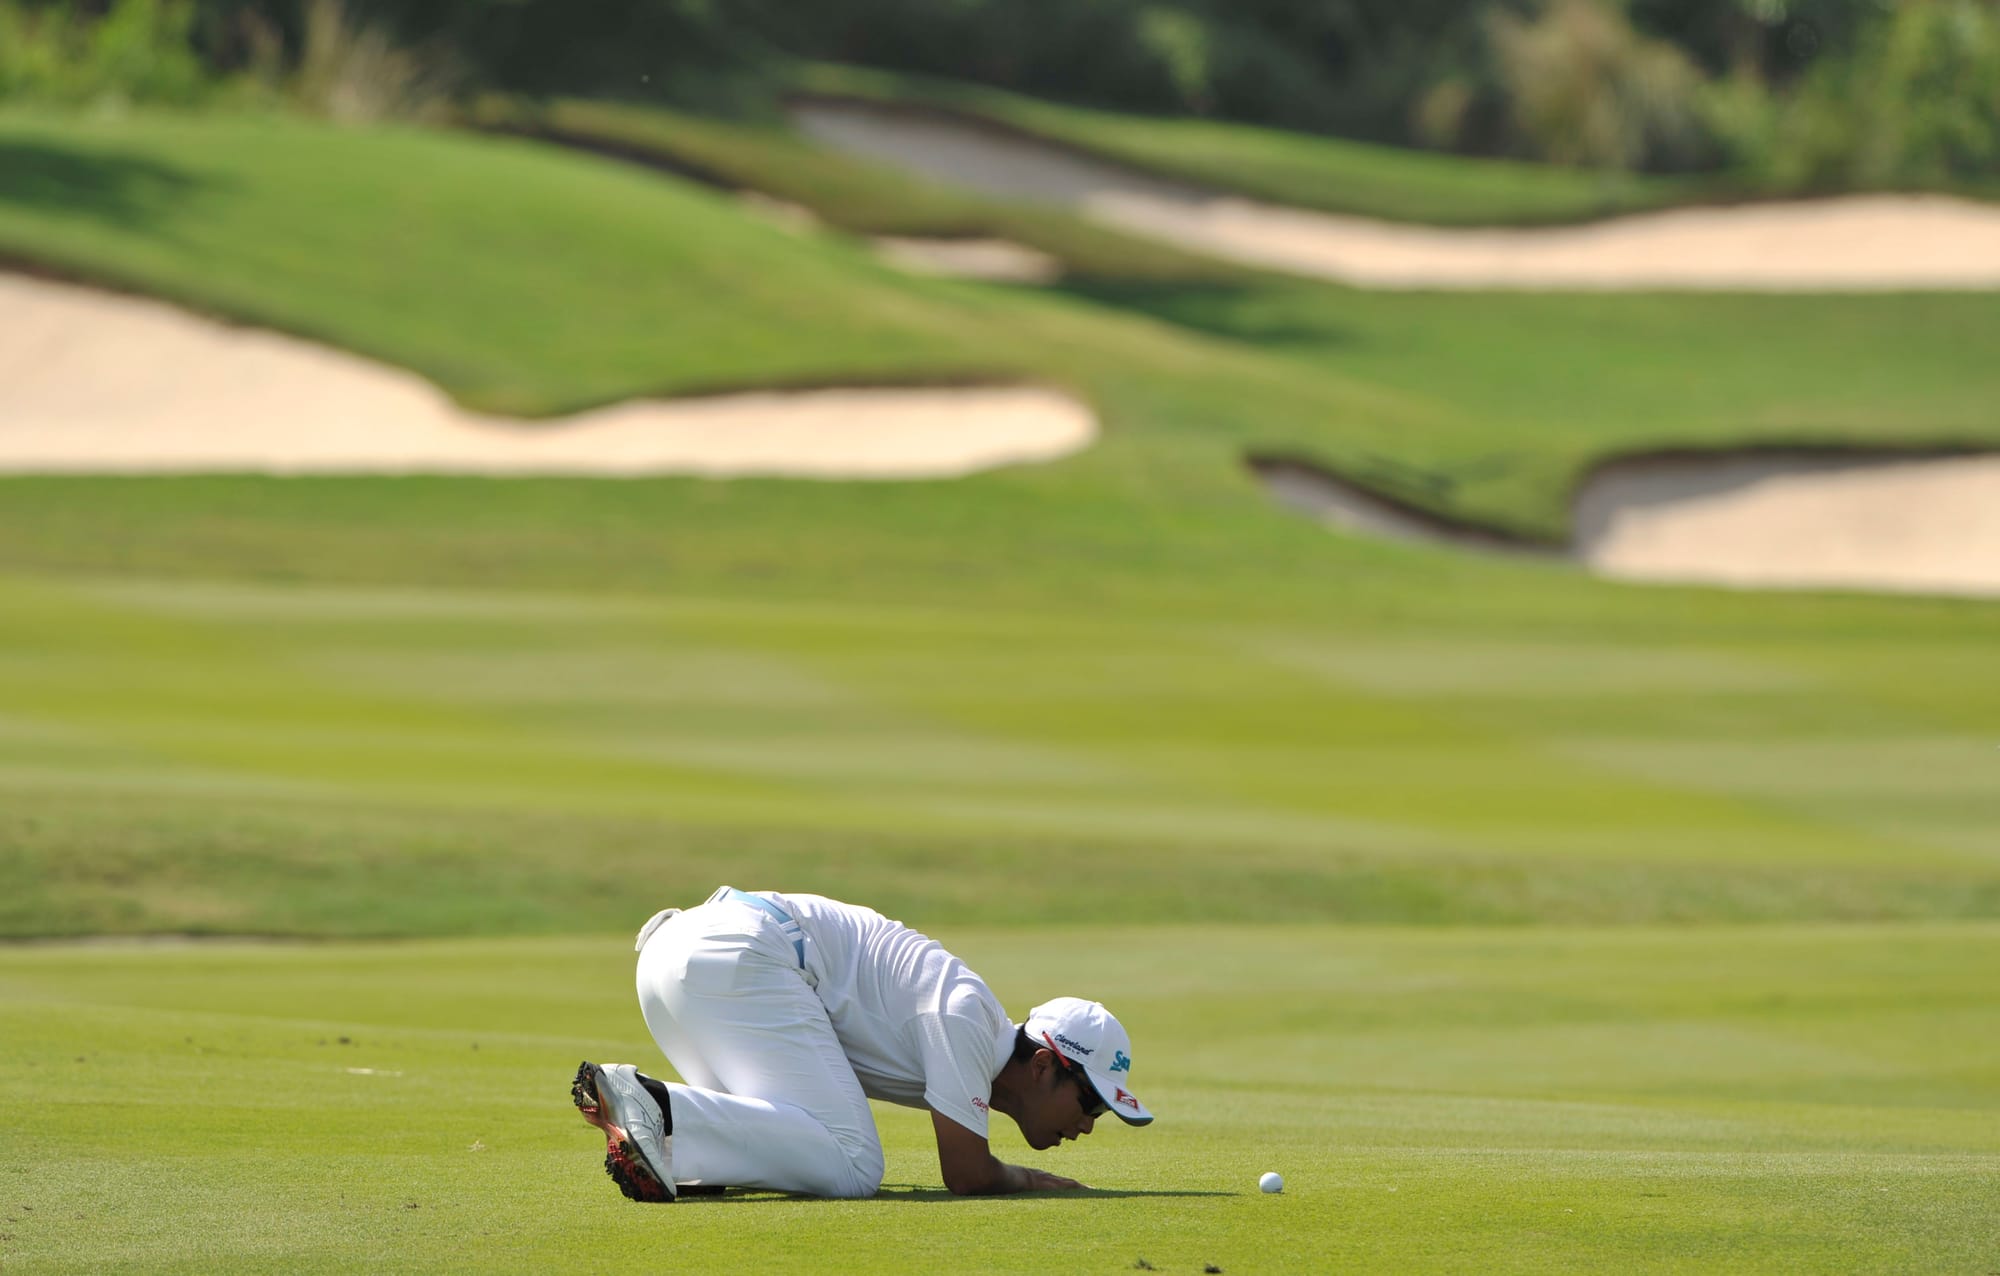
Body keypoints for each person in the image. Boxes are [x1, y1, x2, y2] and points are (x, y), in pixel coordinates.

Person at [570, 885, 1152, 1200]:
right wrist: (1025, 1178)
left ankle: (665, 1142)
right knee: (854, 1165)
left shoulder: (969, 1025)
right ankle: (658, 1105)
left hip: (677, 955)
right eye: (1090, 1103)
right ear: (1046, 1065)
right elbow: (967, 1175)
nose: (1087, 1126)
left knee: (760, 1147)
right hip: (741, 954)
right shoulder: (969, 1019)